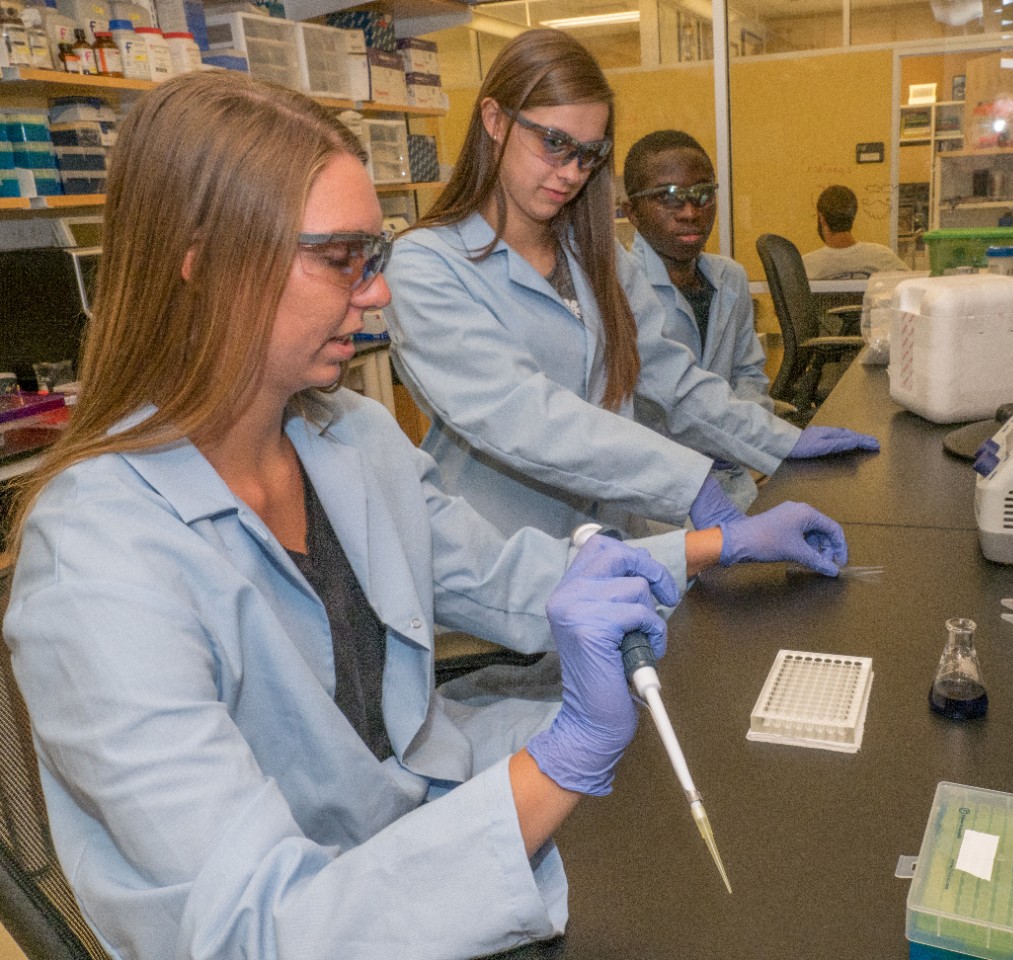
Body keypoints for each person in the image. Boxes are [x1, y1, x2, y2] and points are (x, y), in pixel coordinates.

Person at [0, 71, 843, 960]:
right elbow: (264, 929)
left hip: (409, 818)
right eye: (341, 260)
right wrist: (566, 758)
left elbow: (493, 574)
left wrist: (719, 543)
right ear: (203, 260)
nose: (378, 294)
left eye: (376, 256)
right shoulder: (98, 560)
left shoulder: (349, 437)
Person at [384, 29, 879, 554]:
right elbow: (525, 416)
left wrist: (782, 439)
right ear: (494, 119)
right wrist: (688, 483)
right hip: (501, 562)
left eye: (589, 154)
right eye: (554, 143)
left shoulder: (595, 254)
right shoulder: (426, 265)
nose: (572, 172)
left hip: (620, 547)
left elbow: (670, 376)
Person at [621, 129, 771, 513]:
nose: (690, 212)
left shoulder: (729, 278)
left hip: (730, 479)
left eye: (702, 194)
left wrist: (740, 438)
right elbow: (640, 411)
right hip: (652, 495)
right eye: (667, 197)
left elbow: (748, 375)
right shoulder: (616, 288)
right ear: (632, 211)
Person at [803, 184, 908, 280]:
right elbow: (913, 287)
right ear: (853, 215)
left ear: (822, 218)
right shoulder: (884, 257)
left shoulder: (803, 266)